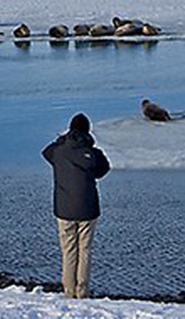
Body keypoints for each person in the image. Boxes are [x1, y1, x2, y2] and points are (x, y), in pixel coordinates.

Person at [42, 112, 110, 299]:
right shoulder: (92, 153)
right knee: (85, 250)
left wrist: (62, 140)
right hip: (88, 209)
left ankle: (69, 292)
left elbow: (46, 152)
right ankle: (82, 292)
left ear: (70, 130)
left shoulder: (58, 151)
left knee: (69, 251)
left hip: (64, 209)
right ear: (88, 131)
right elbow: (103, 169)